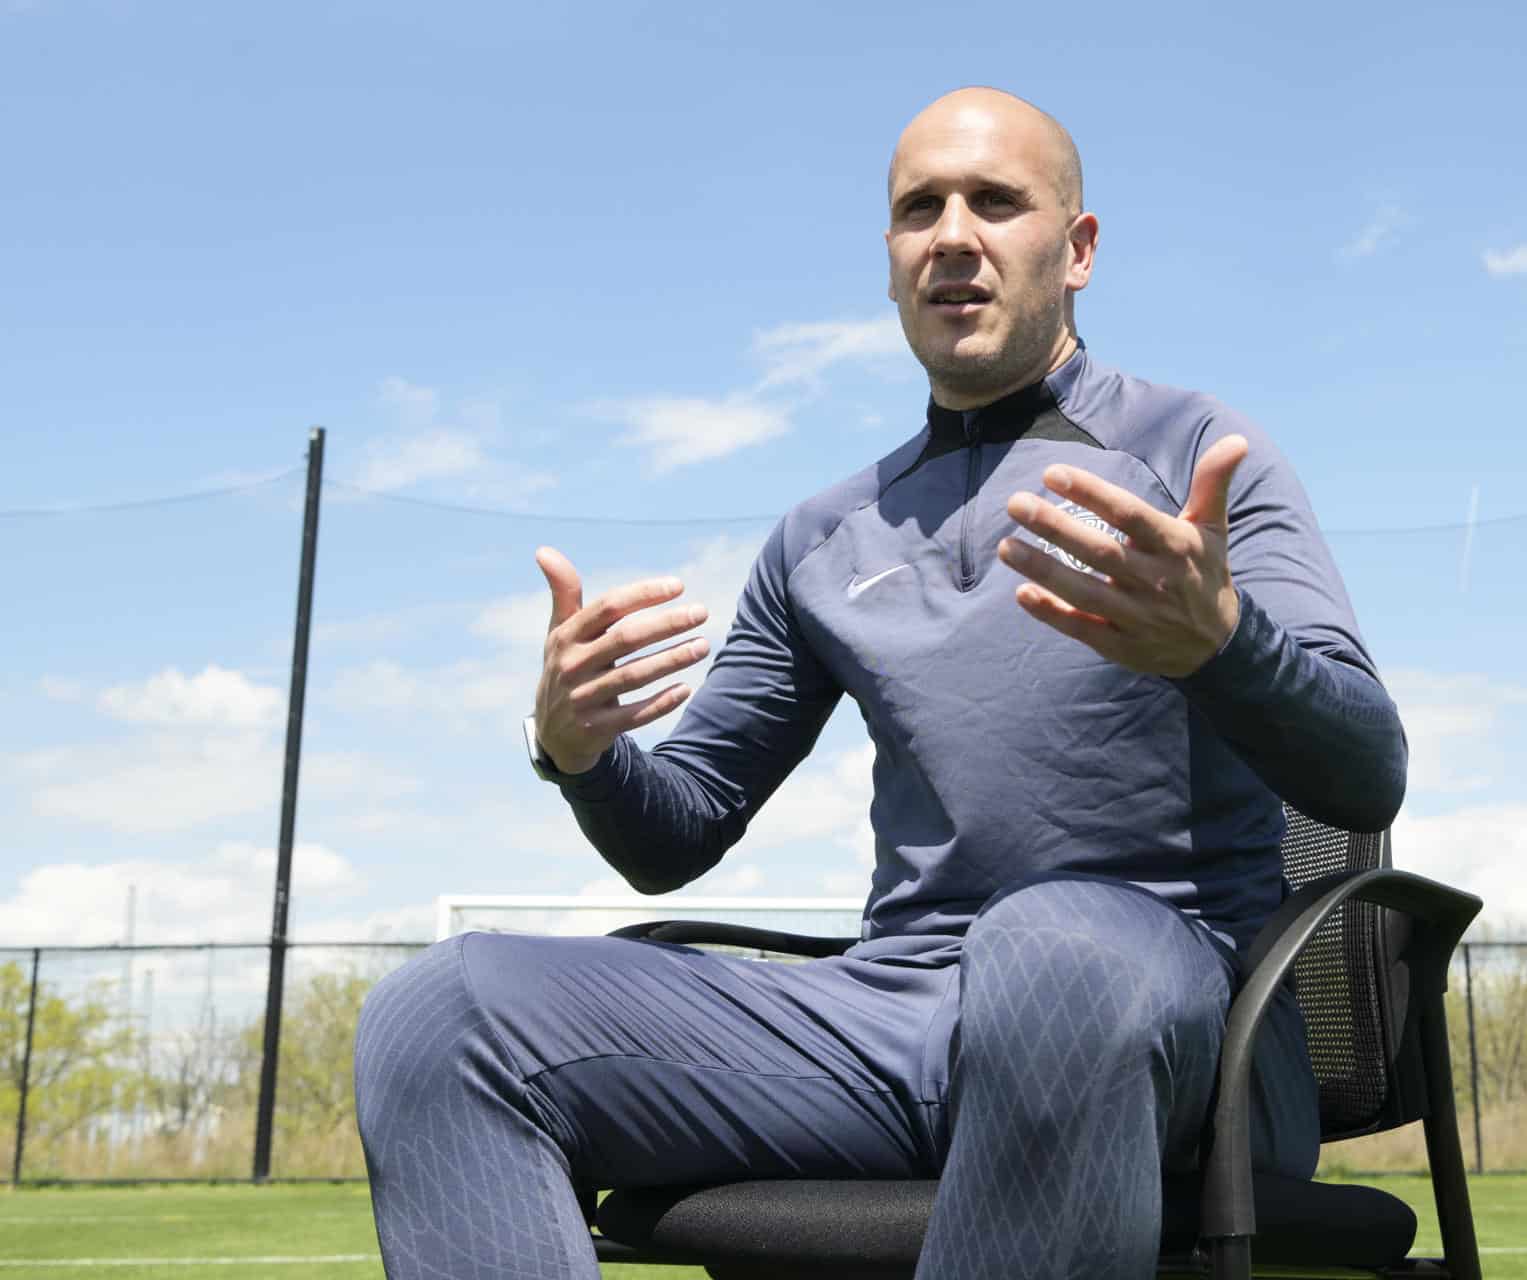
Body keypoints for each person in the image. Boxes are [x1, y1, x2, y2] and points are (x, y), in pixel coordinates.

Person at [354, 86, 1406, 1280]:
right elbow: (679, 832)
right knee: (441, 1015)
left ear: (1078, 248)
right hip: (894, 1022)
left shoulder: (1195, 455)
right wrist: (578, 753)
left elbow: (1367, 770)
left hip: (1182, 1021)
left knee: (1048, 952)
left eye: (997, 202)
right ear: (893, 258)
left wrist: (1224, 642)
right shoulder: (824, 535)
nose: (953, 232)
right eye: (919, 209)